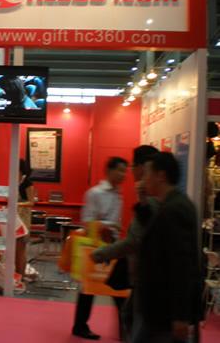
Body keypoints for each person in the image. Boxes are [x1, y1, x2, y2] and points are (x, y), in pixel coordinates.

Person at [91, 145, 159, 341]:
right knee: (129, 316)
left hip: (147, 275)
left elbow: (135, 240)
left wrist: (104, 253)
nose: (127, 173)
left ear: (143, 167)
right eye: (121, 170)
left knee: (134, 321)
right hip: (141, 273)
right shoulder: (99, 193)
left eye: (130, 167)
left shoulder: (153, 199)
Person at [133, 152, 201, 343]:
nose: (144, 179)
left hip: (166, 310)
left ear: (161, 176)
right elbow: (156, 233)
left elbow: (182, 265)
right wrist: (142, 201)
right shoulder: (171, 204)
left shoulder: (175, 209)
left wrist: (180, 315)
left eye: (147, 173)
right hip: (161, 308)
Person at [72, 156, 128, 340]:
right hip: (95, 245)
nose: (123, 174)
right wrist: (110, 225)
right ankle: (80, 326)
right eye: (120, 170)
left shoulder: (118, 194)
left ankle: (125, 329)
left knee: (118, 288)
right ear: (109, 171)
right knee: (89, 287)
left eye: (125, 171)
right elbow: (87, 220)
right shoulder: (94, 193)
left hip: (114, 245)